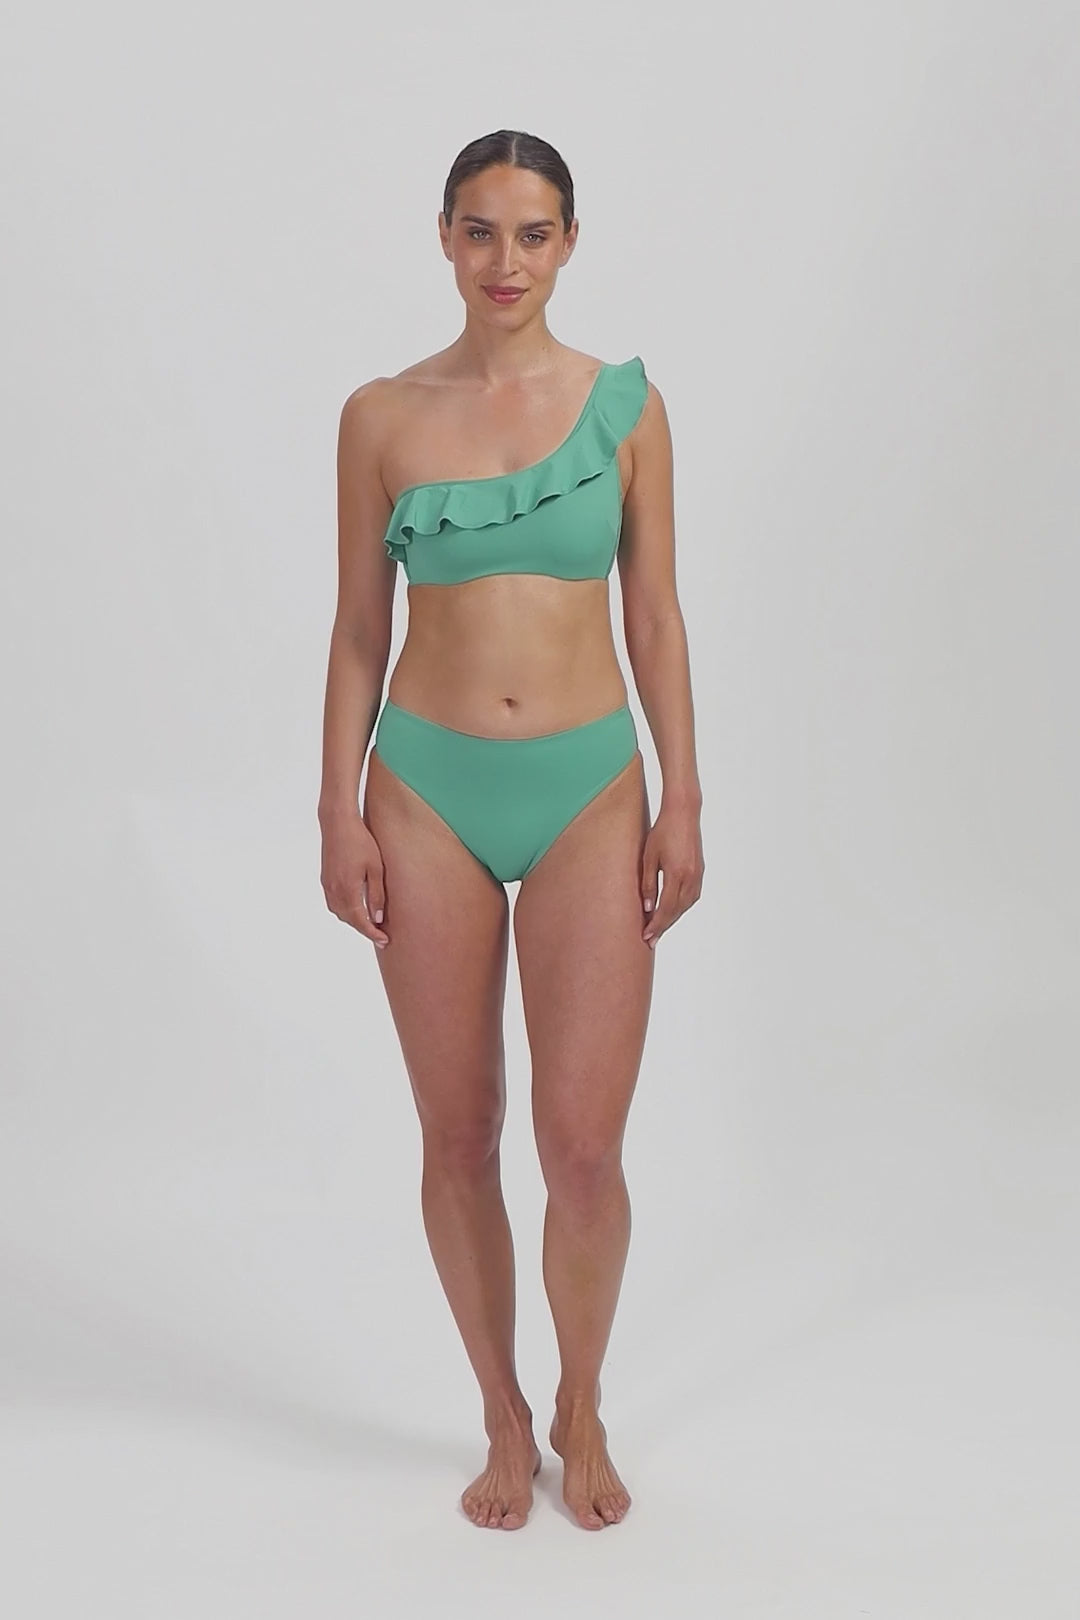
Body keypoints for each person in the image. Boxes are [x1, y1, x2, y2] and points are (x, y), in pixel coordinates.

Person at [318, 129, 704, 1532]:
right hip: (423, 791)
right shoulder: (381, 416)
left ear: (569, 243)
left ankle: (581, 1402)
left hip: (591, 786)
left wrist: (684, 795)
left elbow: (654, 615)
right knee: (460, 1131)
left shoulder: (626, 410)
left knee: (582, 1147)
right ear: (443, 237)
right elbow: (358, 632)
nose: (505, 261)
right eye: (479, 231)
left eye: (533, 234)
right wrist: (337, 806)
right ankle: (501, 1410)